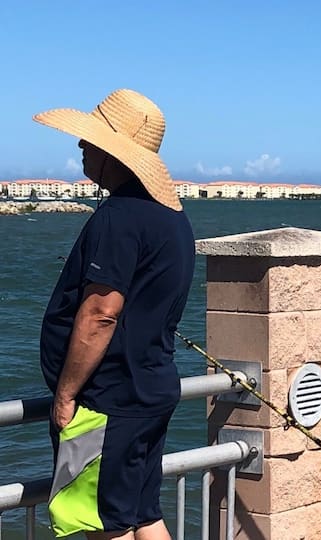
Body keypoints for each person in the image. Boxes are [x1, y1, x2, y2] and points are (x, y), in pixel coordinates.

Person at [36, 89, 195, 539]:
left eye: (88, 141)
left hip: (109, 399)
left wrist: (66, 394)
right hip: (149, 390)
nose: (80, 147)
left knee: (102, 522)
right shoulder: (171, 217)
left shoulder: (118, 218)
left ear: (111, 153)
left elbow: (101, 313)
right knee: (142, 514)